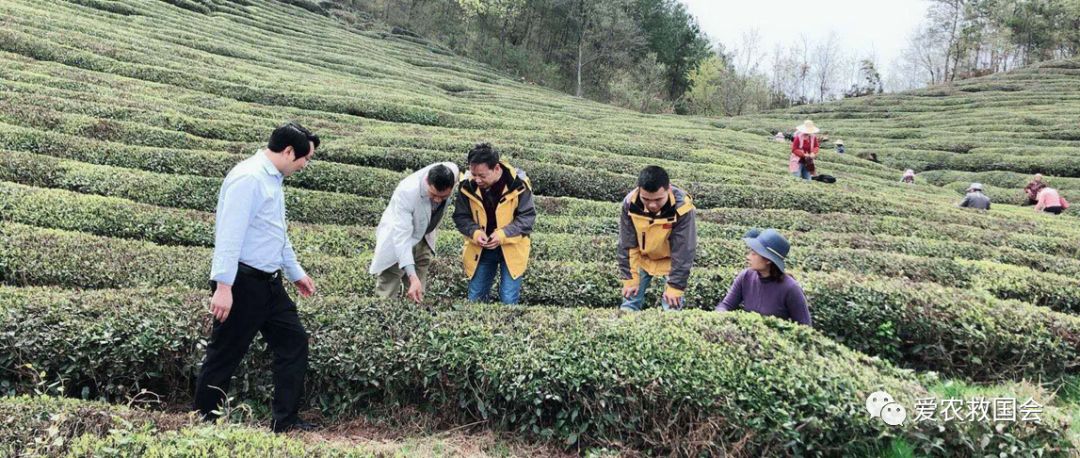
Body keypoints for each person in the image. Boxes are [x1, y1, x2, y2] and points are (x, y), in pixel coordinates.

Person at [196, 122, 320, 433]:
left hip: (270, 283)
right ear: (288, 151)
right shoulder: (249, 178)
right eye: (305, 158)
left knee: (294, 341)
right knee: (225, 353)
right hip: (242, 282)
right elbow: (229, 234)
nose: (306, 165)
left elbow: (274, 233)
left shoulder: (272, 179)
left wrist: (295, 273)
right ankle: (204, 423)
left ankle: (285, 420)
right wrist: (224, 286)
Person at [453, 143, 536, 305]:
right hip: (481, 248)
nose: (477, 179)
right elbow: (461, 216)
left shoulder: (518, 185)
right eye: (474, 173)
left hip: (512, 247)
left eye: (482, 175)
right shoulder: (467, 186)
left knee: (508, 299)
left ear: (496, 168)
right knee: (475, 297)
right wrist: (475, 233)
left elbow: (527, 218)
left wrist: (502, 234)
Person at [369, 162, 460, 303]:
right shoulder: (407, 192)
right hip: (399, 236)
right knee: (389, 285)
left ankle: (413, 315)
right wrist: (412, 276)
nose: (437, 200)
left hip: (424, 236)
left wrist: (415, 279)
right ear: (426, 182)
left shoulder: (453, 171)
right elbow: (402, 238)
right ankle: (384, 318)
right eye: (433, 194)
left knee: (417, 290)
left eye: (443, 197)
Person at [618, 166, 697, 312]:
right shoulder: (630, 203)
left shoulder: (682, 208)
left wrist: (675, 286)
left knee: (672, 309)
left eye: (658, 199)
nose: (652, 205)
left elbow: (683, 250)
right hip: (642, 258)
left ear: (669, 189)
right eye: (646, 199)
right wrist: (630, 278)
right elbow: (628, 244)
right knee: (629, 305)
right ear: (639, 190)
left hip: (670, 261)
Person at [715, 228, 811, 326]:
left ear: (768, 260)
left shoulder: (791, 288)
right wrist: (722, 316)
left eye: (754, 254)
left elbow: (805, 327)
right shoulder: (745, 276)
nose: (748, 257)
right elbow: (726, 305)